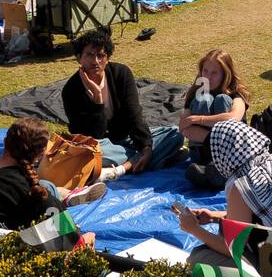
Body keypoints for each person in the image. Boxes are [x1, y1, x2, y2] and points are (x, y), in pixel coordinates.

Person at [179, 119, 272, 270]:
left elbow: (233, 249)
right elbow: (261, 217)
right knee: (225, 227)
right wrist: (215, 217)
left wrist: (193, 229)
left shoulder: (241, 185)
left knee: (198, 256)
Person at [61, 28, 182, 180]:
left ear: (107, 58)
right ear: (79, 58)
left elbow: (134, 114)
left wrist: (146, 147)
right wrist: (97, 102)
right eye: (90, 55)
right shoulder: (71, 90)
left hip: (126, 137)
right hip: (101, 144)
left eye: (101, 56)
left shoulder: (121, 74)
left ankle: (119, 169)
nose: (95, 61)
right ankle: (138, 163)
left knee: (175, 134)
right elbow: (90, 136)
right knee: (87, 153)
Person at [180, 49, 251, 187]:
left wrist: (197, 119)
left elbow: (233, 118)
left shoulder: (236, 93)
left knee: (222, 99)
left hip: (229, 153)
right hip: (203, 152)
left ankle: (219, 172)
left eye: (214, 73)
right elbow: (184, 128)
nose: (208, 77)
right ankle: (206, 170)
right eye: (205, 71)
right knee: (204, 99)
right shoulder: (196, 92)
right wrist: (208, 135)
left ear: (225, 74)